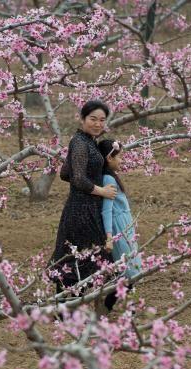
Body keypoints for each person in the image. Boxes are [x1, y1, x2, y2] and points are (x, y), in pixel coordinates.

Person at [49, 100, 117, 291]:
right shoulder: (80, 143)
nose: (97, 124)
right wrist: (101, 190)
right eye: (93, 119)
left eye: (102, 120)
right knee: (80, 259)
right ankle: (66, 311)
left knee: (80, 258)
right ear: (82, 119)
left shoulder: (87, 142)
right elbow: (77, 179)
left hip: (85, 207)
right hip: (81, 211)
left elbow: (65, 173)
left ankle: (69, 309)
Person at [98, 139, 143, 280]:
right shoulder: (108, 180)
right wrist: (109, 237)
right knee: (129, 272)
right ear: (109, 158)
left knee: (131, 269)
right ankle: (109, 301)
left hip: (124, 223)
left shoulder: (111, 177)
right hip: (119, 227)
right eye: (119, 157)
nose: (122, 160)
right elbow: (107, 210)